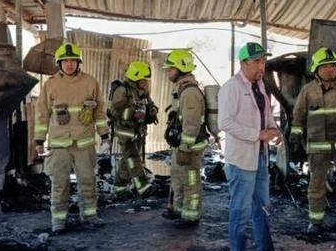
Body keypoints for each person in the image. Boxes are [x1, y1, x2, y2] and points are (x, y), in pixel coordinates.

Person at [219, 42, 293, 251]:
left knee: (262, 209)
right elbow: (225, 123)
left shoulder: (260, 85)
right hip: (241, 160)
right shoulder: (231, 88)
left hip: (259, 157)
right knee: (239, 214)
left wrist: (273, 129)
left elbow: (265, 115)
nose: (262, 66)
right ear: (243, 63)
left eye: (263, 61)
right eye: (257, 62)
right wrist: (257, 134)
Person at [34, 42, 110, 233]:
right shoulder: (50, 85)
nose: (69, 64)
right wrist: (39, 140)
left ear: (78, 63)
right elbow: (42, 114)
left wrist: (105, 136)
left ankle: (90, 216)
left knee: (88, 181)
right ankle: (59, 221)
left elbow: (100, 112)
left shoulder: (90, 82)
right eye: (65, 61)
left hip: (84, 144)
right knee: (59, 184)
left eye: (73, 61)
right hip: (59, 145)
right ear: (59, 63)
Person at [289, 47, 336, 235]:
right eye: (325, 66)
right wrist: (295, 138)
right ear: (316, 69)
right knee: (316, 185)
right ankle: (316, 222)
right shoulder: (308, 91)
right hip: (317, 147)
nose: (330, 69)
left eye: (333, 65)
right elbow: (298, 116)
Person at [162, 49, 209, 228]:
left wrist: (185, 149)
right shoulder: (181, 89)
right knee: (179, 178)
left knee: (190, 181)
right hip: (181, 145)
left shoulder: (190, 93)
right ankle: (180, 210)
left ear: (181, 68)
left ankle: (191, 216)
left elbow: (191, 124)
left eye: (171, 69)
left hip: (190, 148)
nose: (168, 72)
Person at [108, 61, 158, 197]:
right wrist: (132, 113)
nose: (146, 83)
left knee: (127, 161)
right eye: (143, 80)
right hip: (125, 132)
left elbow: (150, 103)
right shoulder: (122, 91)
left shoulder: (142, 91)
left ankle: (120, 187)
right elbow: (115, 112)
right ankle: (143, 188)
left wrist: (152, 109)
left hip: (139, 131)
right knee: (133, 159)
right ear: (135, 79)